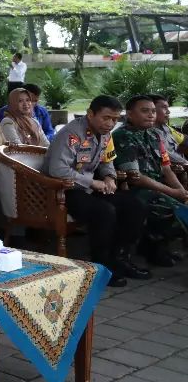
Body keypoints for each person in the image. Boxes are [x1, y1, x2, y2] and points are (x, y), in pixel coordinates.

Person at [42, 95, 149, 287]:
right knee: (104, 212)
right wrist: (92, 182)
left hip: (89, 187)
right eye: (106, 118)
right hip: (64, 189)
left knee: (134, 206)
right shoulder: (72, 134)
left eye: (115, 119)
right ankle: (101, 267)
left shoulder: (106, 134)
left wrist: (109, 177)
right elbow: (58, 170)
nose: (110, 124)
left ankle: (119, 259)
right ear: (90, 114)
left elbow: (107, 160)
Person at [112, 95, 182, 268]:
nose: (151, 115)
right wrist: (172, 192)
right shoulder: (122, 136)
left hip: (157, 185)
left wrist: (181, 191)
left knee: (181, 202)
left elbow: (166, 168)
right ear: (130, 114)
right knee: (167, 205)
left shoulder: (155, 134)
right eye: (144, 111)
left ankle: (156, 245)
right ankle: (152, 249)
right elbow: (136, 177)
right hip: (132, 188)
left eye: (152, 111)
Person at [151, 94, 187, 166]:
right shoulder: (147, 134)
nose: (168, 112)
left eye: (167, 108)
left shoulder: (166, 127)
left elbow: (184, 139)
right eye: (164, 107)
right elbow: (167, 160)